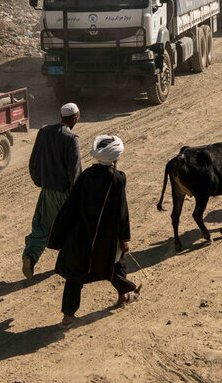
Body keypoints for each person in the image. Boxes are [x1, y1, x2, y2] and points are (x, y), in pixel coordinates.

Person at [48, 135, 139, 329]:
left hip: (80, 236)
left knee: (74, 276)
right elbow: (122, 211)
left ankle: (68, 317)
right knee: (114, 264)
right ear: (115, 158)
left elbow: (71, 205)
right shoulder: (118, 178)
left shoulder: (86, 175)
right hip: (105, 238)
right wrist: (124, 238)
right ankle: (123, 296)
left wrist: (60, 234)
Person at [22, 102, 82, 280]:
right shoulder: (72, 139)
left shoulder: (44, 131)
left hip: (47, 190)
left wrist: (38, 180)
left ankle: (30, 256)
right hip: (65, 193)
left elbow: (33, 159)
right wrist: (77, 194)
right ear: (74, 118)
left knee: (41, 226)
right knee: (72, 227)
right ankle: (70, 263)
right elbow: (74, 171)